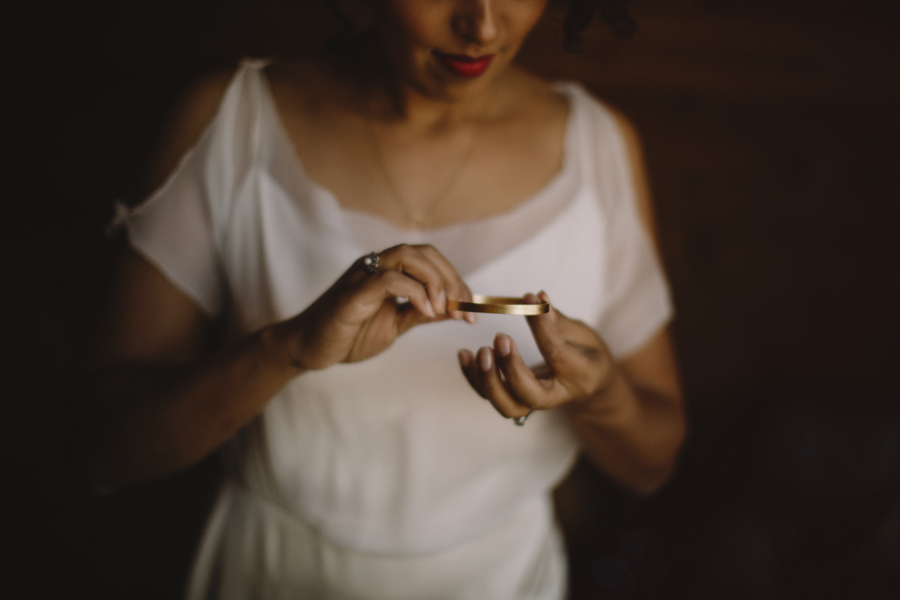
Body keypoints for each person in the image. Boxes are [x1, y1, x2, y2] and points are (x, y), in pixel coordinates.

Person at [82, 1, 686, 598]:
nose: (482, 27)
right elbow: (106, 450)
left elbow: (653, 465)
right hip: (266, 573)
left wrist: (603, 394)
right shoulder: (233, 119)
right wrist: (287, 350)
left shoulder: (598, 147)